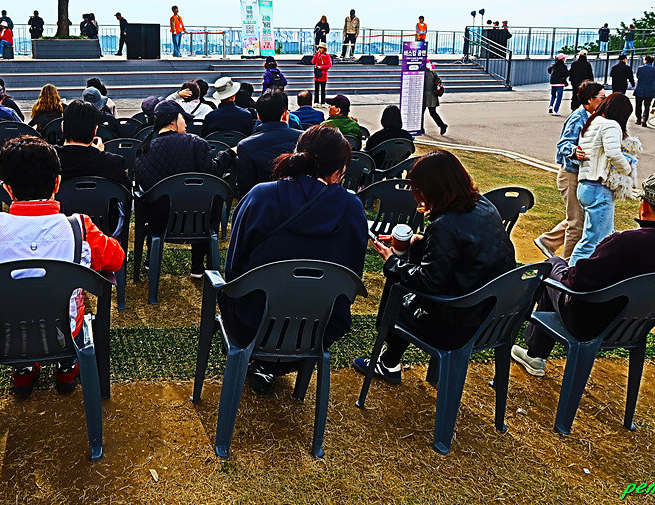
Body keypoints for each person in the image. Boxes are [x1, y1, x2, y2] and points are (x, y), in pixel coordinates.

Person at [0, 136, 124, 395]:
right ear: (57, 183)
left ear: (7, 189)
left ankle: (24, 369)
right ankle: (66, 365)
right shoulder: (80, 229)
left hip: (3, 336)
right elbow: (115, 258)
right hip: (65, 333)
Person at [514, 173, 655, 378]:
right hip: (638, 326)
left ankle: (534, 353)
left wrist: (562, 270)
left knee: (553, 266)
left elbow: (577, 282)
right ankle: (535, 352)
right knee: (559, 274)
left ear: (645, 206)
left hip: (589, 324)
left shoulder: (627, 242)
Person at [354, 150, 516, 383]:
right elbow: (466, 249)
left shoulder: (446, 225)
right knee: (411, 265)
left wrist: (392, 261)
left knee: (397, 289)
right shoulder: (483, 204)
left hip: (460, 325)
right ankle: (392, 361)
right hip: (495, 315)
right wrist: (421, 241)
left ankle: (388, 362)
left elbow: (430, 282)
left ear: (432, 189)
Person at [226, 125, 367, 393]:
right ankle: (271, 367)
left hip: (251, 321)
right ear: (339, 171)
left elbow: (233, 268)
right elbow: (351, 278)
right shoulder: (353, 208)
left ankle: (263, 365)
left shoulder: (261, 196)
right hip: (321, 328)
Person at [134, 99, 236, 278]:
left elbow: (145, 186)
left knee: (156, 200)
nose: (186, 124)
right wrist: (228, 154)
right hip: (198, 220)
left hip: (159, 222)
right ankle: (197, 265)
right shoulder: (195, 143)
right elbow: (212, 173)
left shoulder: (144, 148)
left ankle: (151, 257)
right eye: (184, 118)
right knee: (205, 198)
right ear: (173, 120)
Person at [534, 81, 606, 261]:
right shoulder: (578, 117)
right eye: (602, 98)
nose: (605, 101)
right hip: (571, 175)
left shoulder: (596, 117)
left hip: (582, 175)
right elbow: (563, 144)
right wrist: (574, 151)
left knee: (579, 217)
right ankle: (567, 264)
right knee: (577, 223)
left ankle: (547, 242)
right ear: (589, 99)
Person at [568, 93, 634, 265]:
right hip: (599, 187)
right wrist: (627, 169)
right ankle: (571, 275)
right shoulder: (610, 125)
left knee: (597, 236)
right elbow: (613, 153)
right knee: (594, 241)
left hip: (585, 185)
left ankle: (578, 273)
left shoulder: (592, 123)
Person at [235, 90, 303, 197]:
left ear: (258, 117)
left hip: (262, 201)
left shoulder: (245, 145)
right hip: (297, 199)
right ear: (285, 115)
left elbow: (245, 187)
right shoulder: (303, 138)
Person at [55, 100, 129, 188]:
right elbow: (125, 192)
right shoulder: (114, 163)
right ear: (95, 131)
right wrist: (100, 154)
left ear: (63, 127)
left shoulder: (48, 159)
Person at [633, 55, 655, 127]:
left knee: (638, 105)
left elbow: (638, 76)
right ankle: (644, 119)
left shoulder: (640, 68)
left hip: (640, 89)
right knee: (647, 106)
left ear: (645, 60)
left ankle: (638, 119)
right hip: (650, 90)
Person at [423, 62, 447, 134]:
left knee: (421, 113)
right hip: (433, 95)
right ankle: (442, 125)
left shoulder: (423, 74)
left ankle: (421, 128)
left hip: (425, 95)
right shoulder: (433, 73)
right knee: (433, 112)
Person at [311, 41, 331, 106]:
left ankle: (323, 102)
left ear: (324, 49)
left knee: (323, 89)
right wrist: (315, 56)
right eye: (319, 48)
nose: (319, 49)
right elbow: (313, 62)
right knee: (316, 89)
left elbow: (329, 64)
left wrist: (322, 67)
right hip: (317, 74)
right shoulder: (317, 55)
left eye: (321, 48)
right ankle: (316, 102)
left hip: (323, 74)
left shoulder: (327, 56)